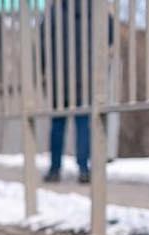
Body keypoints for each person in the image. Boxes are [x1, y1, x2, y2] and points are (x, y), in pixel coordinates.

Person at [43, 0, 112, 184]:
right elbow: (110, 34)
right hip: (88, 74)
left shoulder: (56, 10)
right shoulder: (97, 8)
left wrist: (44, 70)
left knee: (58, 123)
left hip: (60, 76)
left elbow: (43, 42)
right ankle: (84, 168)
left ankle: (54, 169)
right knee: (84, 122)